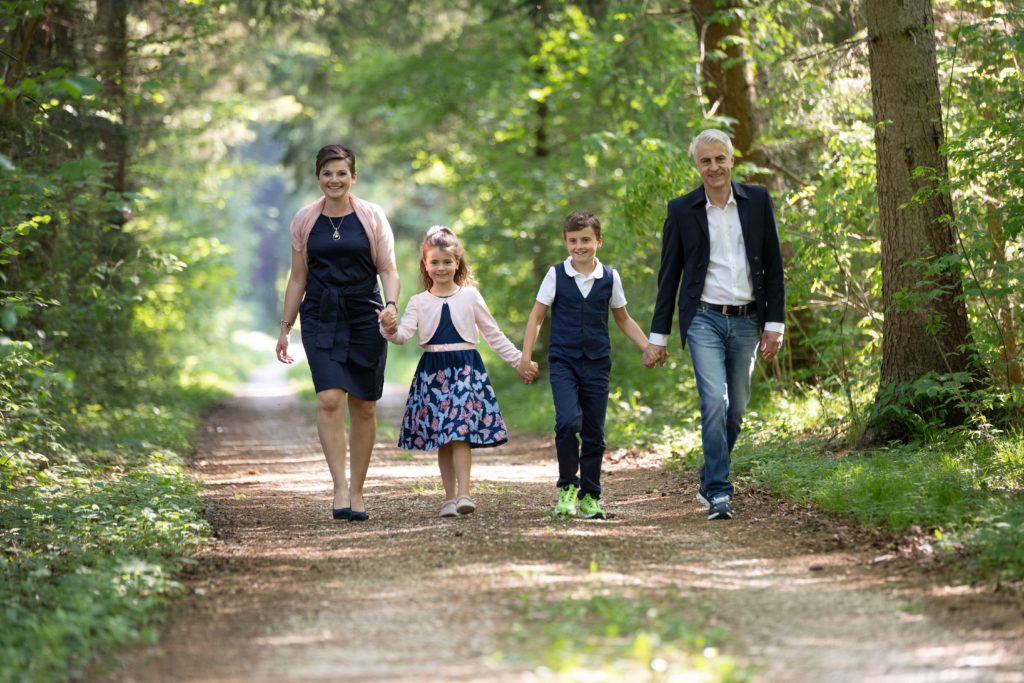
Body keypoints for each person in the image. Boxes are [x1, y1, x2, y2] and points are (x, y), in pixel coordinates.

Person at [643, 129, 785, 521]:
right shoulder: (682, 209)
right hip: (703, 318)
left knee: (736, 409)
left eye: (719, 159)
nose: (714, 167)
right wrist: (658, 337)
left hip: (747, 321)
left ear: (732, 160)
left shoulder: (757, 201)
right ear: (697, 165)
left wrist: (774, 323)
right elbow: (668, 277)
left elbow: (773, 266)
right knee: (714, 402)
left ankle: (709, 476)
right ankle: (720, 492)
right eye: (705, 161)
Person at [276, 144, 400, 523]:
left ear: (353, 177)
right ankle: (340, 486)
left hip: (366, 313)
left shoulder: (371, 216)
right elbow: (298, 277)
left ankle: (359, 489)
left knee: (363, 404)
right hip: (321, 314)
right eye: (327, 173)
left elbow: (389, 270)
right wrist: (285, 328)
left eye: (341, 173)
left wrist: (391, 307)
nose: (334, 180)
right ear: (318, 178)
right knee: (329, 399)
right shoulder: (304, 220)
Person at [380, 226, 538, 518]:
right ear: (425, 265)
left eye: (447, 262)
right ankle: (449, 499)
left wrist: (519, 361)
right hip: (433, 373)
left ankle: (465, 493)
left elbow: (494, 334)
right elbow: (402, 336)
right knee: (443, 435)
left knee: (459, 431)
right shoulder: (418, 301)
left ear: (458, 263)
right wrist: (388, 328)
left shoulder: (470, 296)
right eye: (435, 262)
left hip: (466, 369)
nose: (441, 268)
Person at [518, 211, 649, 520]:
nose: (580, 246)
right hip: (563, 361)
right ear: (566, 242)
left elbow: (623, 318)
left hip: (597, 363)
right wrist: (526, 356)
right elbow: (537, 316)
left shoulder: (609, 278)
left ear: (598, 242)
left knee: (594, 432)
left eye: (586, 240)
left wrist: (648, 347)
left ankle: (590, 495)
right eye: (573, 240)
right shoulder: (556, 275)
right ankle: (567, 488)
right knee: (567, 422)